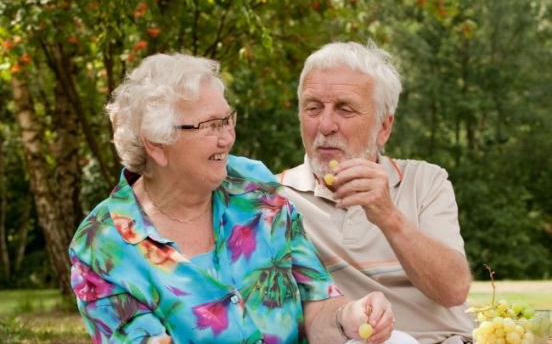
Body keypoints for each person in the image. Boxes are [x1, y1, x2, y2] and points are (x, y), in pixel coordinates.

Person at [68, 52, 405, 344]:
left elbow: (315, 306)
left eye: (228, 119)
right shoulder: (102, 247)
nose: (227, 137)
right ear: (156, 143)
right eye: (211, 125)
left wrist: (348, 316)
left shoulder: (255, 189)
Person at [277, 41, 475, 344]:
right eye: (313, 108)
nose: (326, 124)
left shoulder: (426, 181)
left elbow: (454, 290)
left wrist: (387, 215)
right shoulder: (275, 198)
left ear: (383, 127)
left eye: (345, 109)